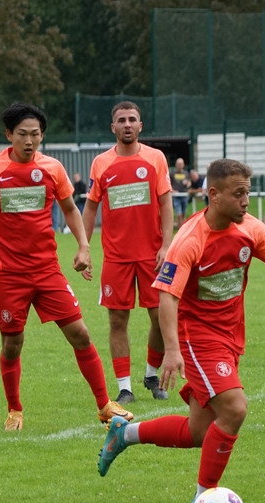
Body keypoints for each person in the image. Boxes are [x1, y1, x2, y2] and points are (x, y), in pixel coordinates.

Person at [98, 159, 265, 500]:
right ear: (213, 195)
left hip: (231, 335)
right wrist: (172, 350)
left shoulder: (251, 229)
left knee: (198, 431)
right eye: (238, 194)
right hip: (197, 336)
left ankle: (124, 434)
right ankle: (206, 499)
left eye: (247, 193)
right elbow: (167, 297)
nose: (246, 201)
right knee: (234, 408)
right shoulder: (190, 240)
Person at [0, 102, 134, 431]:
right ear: (9, 135)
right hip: (9, 274)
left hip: (47, 271)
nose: (29, 140)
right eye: (22, 134)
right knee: (12, 343)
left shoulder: (52, 168)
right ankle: (14, 410)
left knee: (80, 333)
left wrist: (83, 246)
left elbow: (70, 208)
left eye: (35, 134)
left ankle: (105, 405)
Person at [81, 100, 175, 405]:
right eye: (121, 120)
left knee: (160, 318)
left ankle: (151, 374)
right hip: (116, 257)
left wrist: (166, 245)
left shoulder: (156, 158)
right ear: (113, 127)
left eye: (132, 119)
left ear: (140, 126)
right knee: (117, 321)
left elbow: (166, 204)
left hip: (152, 256)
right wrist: (84, 248)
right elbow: (90, 208)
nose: (127, 125)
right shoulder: (101, 163)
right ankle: (124, 388)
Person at [170, 158, 189, 228]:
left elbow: (189, 183)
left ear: (183, 165)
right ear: (176, 165)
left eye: (181, 164)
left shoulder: (186, 173)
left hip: (184, 195)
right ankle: (180, 227)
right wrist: (173, 190)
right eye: (178, 164)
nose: (179, 165)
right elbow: (168, 183)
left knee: (183, 213)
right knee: (179, 213)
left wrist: (187, 183)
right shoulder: (172, 173)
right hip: (176, 196)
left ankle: (182, 227)